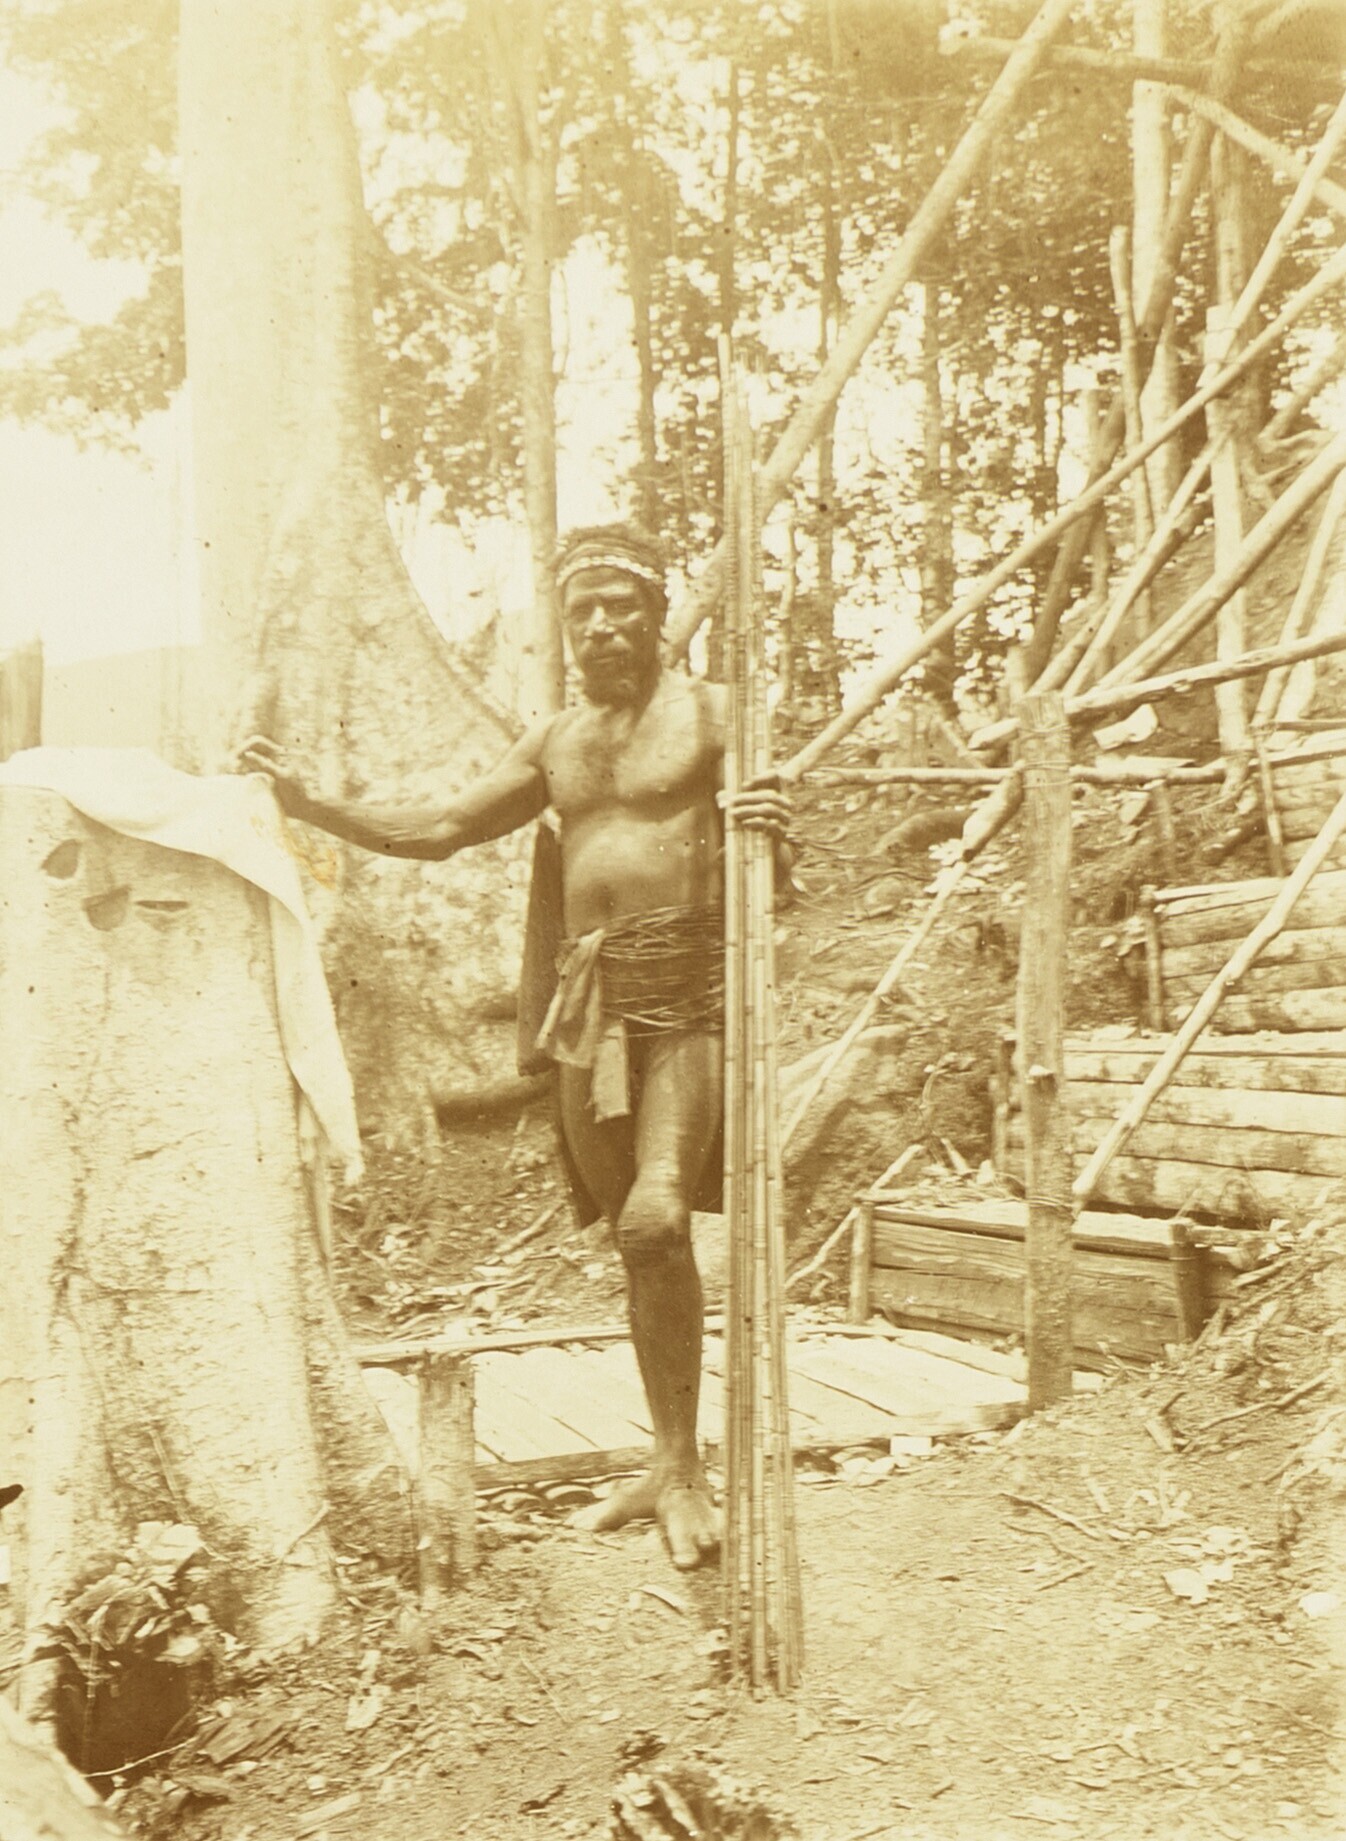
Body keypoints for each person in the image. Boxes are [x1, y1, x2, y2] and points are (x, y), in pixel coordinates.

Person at [240, 523, 789, 1570]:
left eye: (622, 604)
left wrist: (771, 820)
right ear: (565, 627)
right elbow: (442, 826)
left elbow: (773, 857)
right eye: (583, 609)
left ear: (657, 612)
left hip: (687, 999)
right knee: (636, 1239)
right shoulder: (555, 743)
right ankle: (671, 1457)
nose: (602, 624)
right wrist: (312, 803)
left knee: (657, 1217)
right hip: (589, 1009)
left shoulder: (718, 713)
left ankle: (682, 1470)